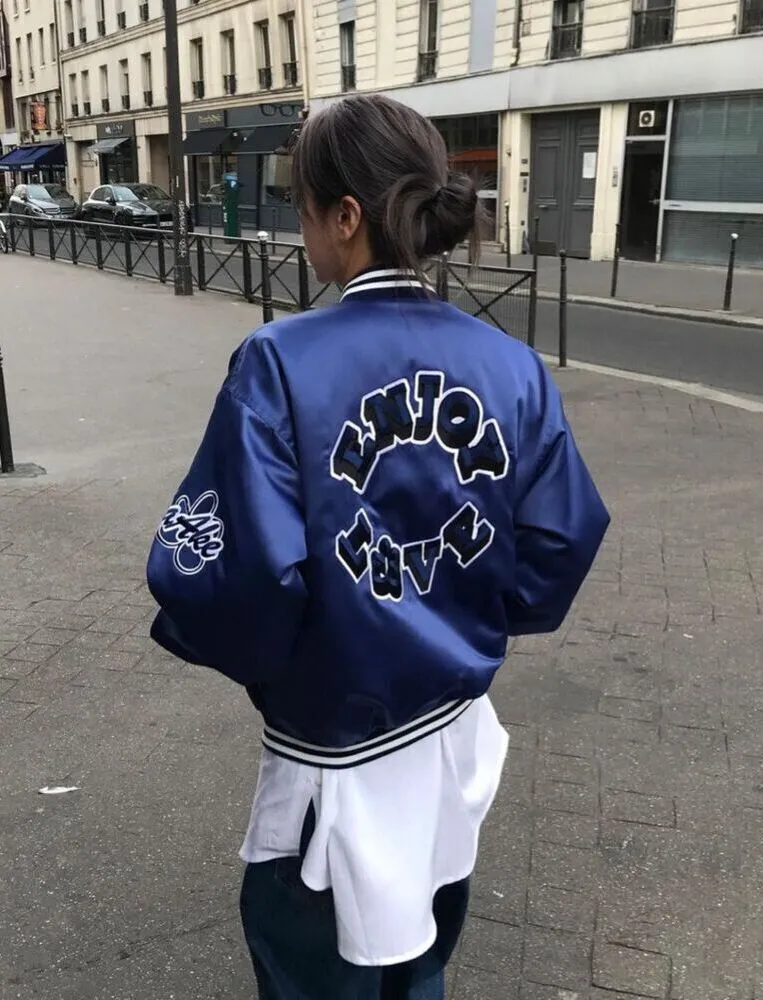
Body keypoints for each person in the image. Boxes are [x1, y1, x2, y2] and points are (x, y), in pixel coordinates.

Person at [146, 93, 609, 1000]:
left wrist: (297, 661)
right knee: (421, 957)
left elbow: (234, 579)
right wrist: (457, 621)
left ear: (346, 217)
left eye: (303, 203)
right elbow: (559, 541)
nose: (300, 225)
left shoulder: (279, 361)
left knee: (312, 967)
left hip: (332, 762)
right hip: (451, 749)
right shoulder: (509, 364)